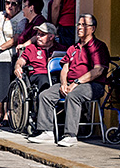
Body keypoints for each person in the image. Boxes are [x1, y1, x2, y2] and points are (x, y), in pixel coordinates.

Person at [28, 14, 108, 147]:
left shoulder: (98, 47)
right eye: (78, 24)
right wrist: (64, 84)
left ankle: (70, 135)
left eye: (84, 25)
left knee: (73, 95)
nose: (79, 27)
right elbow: (65, 67)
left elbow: (98, 70)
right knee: (45, 95)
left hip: (92, 85)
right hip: (71, 83)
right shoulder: (73, 48)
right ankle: (47, 132)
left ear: (92, 29)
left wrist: (76, 83)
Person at [13, 22, 58, 91]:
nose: (38, 37)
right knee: (44, 79)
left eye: (42, 35)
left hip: (55, 75)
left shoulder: (60, 48)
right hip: (38, 75)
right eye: (37, 34)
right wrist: (18, 67)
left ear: (51, 37)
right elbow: (21, 60)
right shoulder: (31, 48)